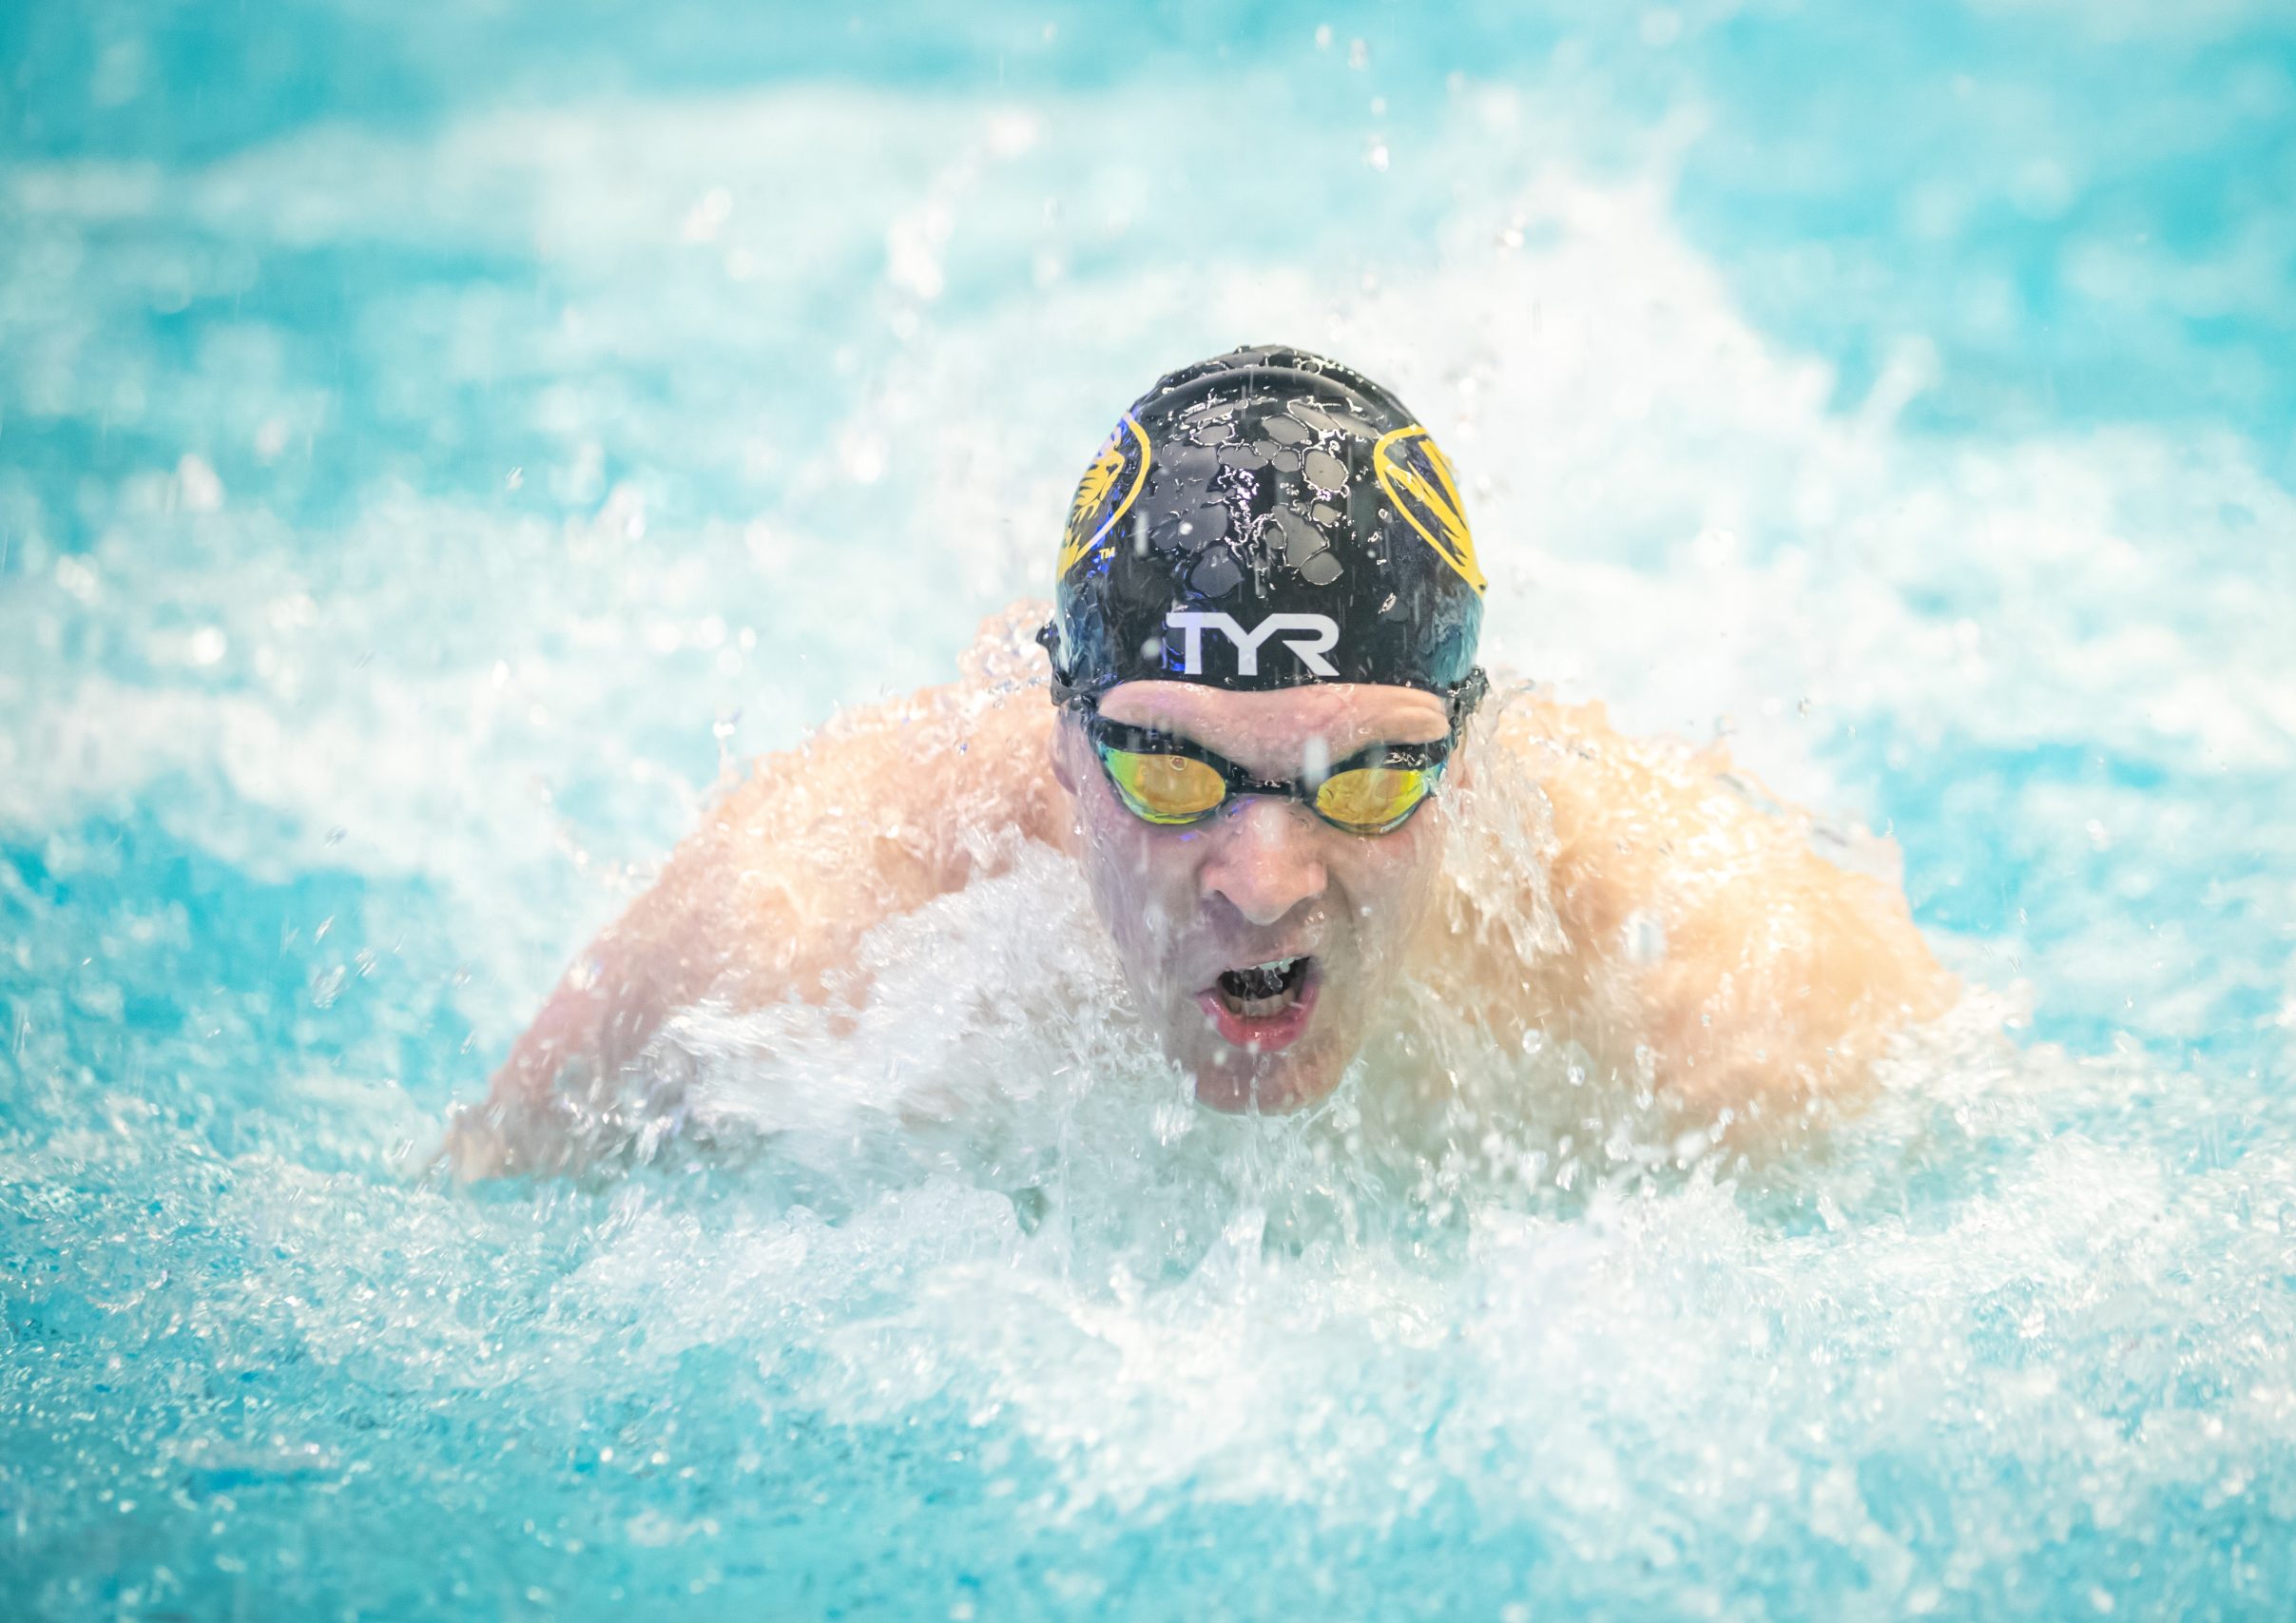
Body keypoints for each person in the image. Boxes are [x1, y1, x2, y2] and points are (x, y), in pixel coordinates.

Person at [447, 346, 1952, 1177]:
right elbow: (477, 1215)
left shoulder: (1715, 976)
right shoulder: (797, 937)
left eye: (1367, 775)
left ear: (1471, 767)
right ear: (1060, 748)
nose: (1262, 881)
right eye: (1171, 770)